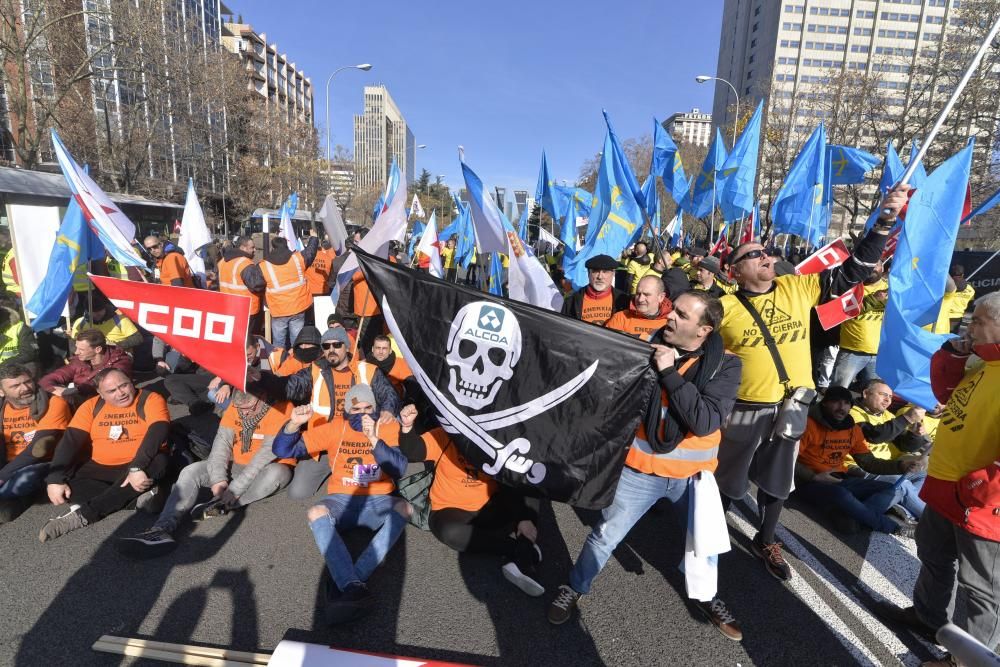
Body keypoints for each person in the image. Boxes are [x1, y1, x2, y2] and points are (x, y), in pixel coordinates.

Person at [712, 184, 905, 582]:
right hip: (747, 408)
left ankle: (765, 539)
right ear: (735, 271)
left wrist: (885, 220)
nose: (765, 257)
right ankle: (711, 533)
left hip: (795, 405)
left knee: (779, 479)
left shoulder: (796, 287)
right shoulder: (724, 308)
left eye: (765, 252)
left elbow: (854, 269)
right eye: (753, 256)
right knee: (729, 479)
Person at [547, 292, 744, 640]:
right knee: (605, 536)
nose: (669, 318)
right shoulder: (644, 349)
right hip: (640, 472)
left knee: (705, 543)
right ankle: (575, 587)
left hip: (692, 479)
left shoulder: (726, 364)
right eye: (672, 310)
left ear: (704, 330)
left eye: (681, 316)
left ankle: (707, 597)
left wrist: (668, 372)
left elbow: (704, 420)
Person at [879, 292, 1000, 664]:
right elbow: (944, 391)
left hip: (981, 502)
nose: (970, 326)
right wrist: (955, 353)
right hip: (948, 486)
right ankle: (928, 616)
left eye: (978, 321)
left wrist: (982, 487)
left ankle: (972, 659)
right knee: (933, 555)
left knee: (982, 588)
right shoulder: (983, 361)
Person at [272, 385, 409, 623]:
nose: (364, 414)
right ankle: (353, 585)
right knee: (316, 511)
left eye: (369, 408)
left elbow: (398, 468)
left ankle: (351, 582)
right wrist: (293, 424)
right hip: (341, 499)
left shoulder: (387, 426)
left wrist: (374, 439)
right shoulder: (336, 427)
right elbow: (283, 449)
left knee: (405, 508)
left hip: (378, 498)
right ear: (347, 410)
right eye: (356, 409)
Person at [117, 390, 296, 556]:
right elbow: (221, 445)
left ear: (263, 398)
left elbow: (264, 457)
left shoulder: (283, 409)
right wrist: (218, 479)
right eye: (240, 409)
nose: (245, 414)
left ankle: (224, 504)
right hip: (237, 464)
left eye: (249, 409)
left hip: (267, 466)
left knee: (279, 474)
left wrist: (235, 488)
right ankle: (161, 530)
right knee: (191, 470)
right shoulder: (236, 407)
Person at [397, 402, 545, 596]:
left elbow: (511, 481)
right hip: (451, 510)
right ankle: (520, 550)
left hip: (490, 508)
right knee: (448, 532)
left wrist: (524, 517)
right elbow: (414, 451)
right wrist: (407, 427)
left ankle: (524, 540)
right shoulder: (445, 436)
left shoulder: (497, 439)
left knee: (531, 483)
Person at [39, 368, 170, 542]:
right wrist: (54, 478)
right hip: (101, 465)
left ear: (131, 382)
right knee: (69, 485)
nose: (121, 393)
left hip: (141, 462)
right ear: (100, 394)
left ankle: (83, 516)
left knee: (159, 461)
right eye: (111, 391)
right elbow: (70, 441)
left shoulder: (150, 399)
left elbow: (158, 431)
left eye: (124, 385)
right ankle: (138, 499)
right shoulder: (91, 406)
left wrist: (137, 466)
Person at [794, 386, 922, 536]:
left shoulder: (853, 430)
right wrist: (813, 476)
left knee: (895, 488)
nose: (842, 408)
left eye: (846, 403)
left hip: (840, 479)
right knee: (841, 494)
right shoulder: (808, 424)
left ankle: (851, 516)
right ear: (825, 403)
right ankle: (895, 528)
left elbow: (869, 463)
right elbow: (787, 459)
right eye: (836, 402)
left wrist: (901, 465)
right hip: (808, 482)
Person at [0, 363, 72, 520]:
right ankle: (8, 506)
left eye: (27, 382)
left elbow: (41, 448)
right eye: (15, 386)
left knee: (23, 480)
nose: (25, 388)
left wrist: (3, 474)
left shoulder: (54, 403)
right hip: (8, 461)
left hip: (43, 462)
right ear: (1, 391)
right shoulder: (2, 408)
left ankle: (13, 500)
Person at [250, 235, 318, 351]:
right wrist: (314, 238)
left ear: (272, 248)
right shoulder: (298, 259)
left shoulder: (264, 266)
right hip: (298, 307)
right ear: (286, 246)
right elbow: (311, 252)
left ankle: (279, 366)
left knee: (279, 344)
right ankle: (297, 364)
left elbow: (255, 284)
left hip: (278, 310)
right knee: (297, 341)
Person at [39, 329, 132, 401]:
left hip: (108, 403)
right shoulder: (79, 361)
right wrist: (56, 390)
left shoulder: (120, 362)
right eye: (76, 348)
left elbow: (102, 384)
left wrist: (76, 391)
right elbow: (47, 379)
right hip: (80, 402)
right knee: (56, 401)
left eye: (81, 350)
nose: (76, 352)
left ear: (98, 349)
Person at [830, 275, 888, 390]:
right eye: (871, 263)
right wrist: (873, 299)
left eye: (877, 263)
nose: (873, 267)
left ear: (882, 266)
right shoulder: (850, 285)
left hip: (878, 354)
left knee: (874, 396)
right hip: (851, 351)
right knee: (838, 392)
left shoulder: (889, 288)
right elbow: (843, 310)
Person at [560, 254, 630, 325]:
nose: (600, 277)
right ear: (588, 274)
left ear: (613, 274)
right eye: (595, 271)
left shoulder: (624, 301)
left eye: (605, 272)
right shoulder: (572, 301)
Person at [217, 235, 264, 337]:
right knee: (249, 340)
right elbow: (257, 285)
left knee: (235, 338)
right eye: (252, 247)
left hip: (229, 308)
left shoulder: (222, 262)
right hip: (247, 310)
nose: (255, 250)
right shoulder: (244, 263)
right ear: (243, 248)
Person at [604, 275, 672, 339]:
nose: (640, 299)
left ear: (661, 297)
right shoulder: (621, 319)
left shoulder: (671, 322)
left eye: (646, 294)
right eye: (638, 294)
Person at [68, 297, 143, 351]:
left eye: (100, 311)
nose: (97, 314)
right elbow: (73, 342)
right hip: (90, 356)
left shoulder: (120, 320)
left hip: (118, 353)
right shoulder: (80, 323)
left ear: (105, 308)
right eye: (93, 312)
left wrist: (116, 345)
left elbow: (137, 338)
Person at [946, 264, 975, 333]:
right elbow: (970, 303)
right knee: (952, 339)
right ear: (962, 275)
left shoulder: (945, 286)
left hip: (944, 316)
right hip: (958, 317)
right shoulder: (970, 289)